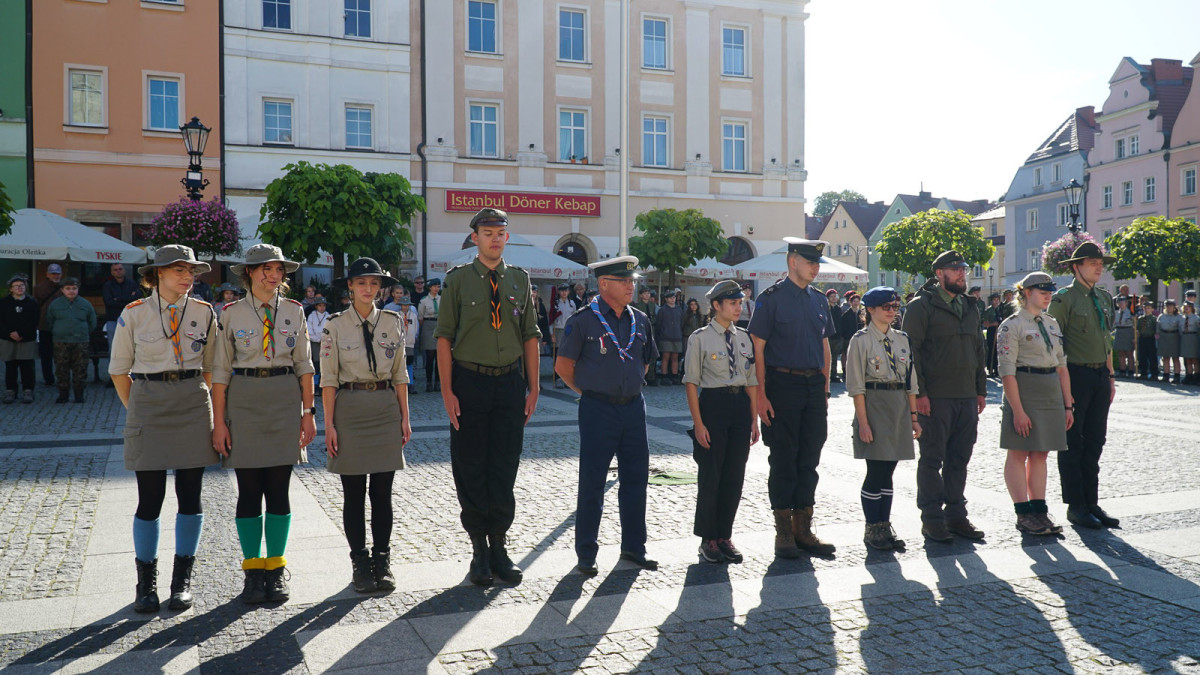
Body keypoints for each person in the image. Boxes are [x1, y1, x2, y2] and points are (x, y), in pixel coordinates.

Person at [108, 245, 220, 613]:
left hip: (191, 402)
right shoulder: (134, 314)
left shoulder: (204, 312)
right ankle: (146, 584)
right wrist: (138, 408)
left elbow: (211, 366)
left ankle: (181, 581)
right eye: (178, 271)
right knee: (150, 498)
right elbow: (118, 370)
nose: (188, 277)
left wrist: (194, 393)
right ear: (156, 275)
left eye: (191, 271)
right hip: (148, 401)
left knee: (190, 495)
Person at [436, 208, 541, 586]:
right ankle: (478, 548)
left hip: (508, 385)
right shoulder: (458, 281)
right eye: (487, 232)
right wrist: (447, 391)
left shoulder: (519, 279)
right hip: (470, 383)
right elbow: (444, 338)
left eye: (500, 233)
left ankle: (500, 545)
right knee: (470, 466)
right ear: (475, 239)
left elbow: (530, 335)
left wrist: (534, 387)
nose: (494, 238)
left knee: (504, 464)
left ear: (507, 238)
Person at [211, 244, 317, 605]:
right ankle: (252, 572)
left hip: (284, 400)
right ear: (249, 274)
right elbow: (221, 371)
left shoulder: (294, 311)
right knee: (248, 490)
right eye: (265, 269)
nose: (273, 276)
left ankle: (275, 568)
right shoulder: (231, 313)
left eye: (278, 271)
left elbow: (304, 364)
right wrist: (219, 422)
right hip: (244, 400)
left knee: (279, 489)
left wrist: (309, 412)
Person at [556, 255, 659, 575]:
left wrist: (626, 385)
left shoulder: (640, 319)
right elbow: (562, 368)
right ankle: (586, 552)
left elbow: (644, 362)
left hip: (632, 406)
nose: (632, 286)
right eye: (625, 281)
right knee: (593, 481)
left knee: (635, 478)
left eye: (633, 281)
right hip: (597, 408)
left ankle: (633, 546)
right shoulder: (584, 320)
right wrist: (591, 393)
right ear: (603, 285)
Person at [320, 257, 412, 593]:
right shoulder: (334, 325)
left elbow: (400, 373)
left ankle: (382, 560)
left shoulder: (391, 321)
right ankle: (360, 562)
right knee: (354, 493)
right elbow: (328, 379)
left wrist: (405, 416)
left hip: (385, 407)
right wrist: (328, 425)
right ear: (350, 287)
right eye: (362, 283)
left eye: (374, 283)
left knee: (383, 493)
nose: (368, 289)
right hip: (350, 408)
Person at [748, 238, 838, 558]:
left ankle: (803, 529)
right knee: (784, 459)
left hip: (814, 387)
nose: (815, 267)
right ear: (792, 261)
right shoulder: (770, 299)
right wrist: (761, 396)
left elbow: (825, 345)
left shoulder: (819, 300)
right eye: (809, 261)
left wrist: (825, 388)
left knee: (809, 460)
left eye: (817, 262)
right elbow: (757, 347)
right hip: (781, 386)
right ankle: (783, 531)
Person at [902, 250, 988, 543]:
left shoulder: (970, 306)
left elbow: (978, 350)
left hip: (965, 397)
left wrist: (980, 390)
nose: (962, 274)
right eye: (955, 270)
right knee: (932, 460)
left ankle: (956, 517)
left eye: (963, 269)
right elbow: (911, 353)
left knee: (959, 460)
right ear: (939, 274)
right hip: (935, 398)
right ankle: (932, 519)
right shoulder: (921, 306)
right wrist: (920, 394)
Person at [683, 280, 759, 563]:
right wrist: (699, 424)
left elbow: (751, 381)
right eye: (732, 303)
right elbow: (691, 383)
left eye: (740, 303)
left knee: (734, 476)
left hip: (739, 407)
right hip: (713, 405)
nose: (738, 308)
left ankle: (725, 535)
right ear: (716, 306)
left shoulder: (744, 337)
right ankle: (708, 539)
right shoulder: (700, 338)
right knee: (711, 475)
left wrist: (753, 420)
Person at [1046, 242, 1119, 529]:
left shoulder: (1103, 297)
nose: (1099, 266)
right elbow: (1055, 343)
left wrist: (1110, 376)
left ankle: (1091, 502)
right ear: (1076, 267)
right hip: (1075, 376)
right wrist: (1062, 388)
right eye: (1092, 262)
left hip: (1100, 376)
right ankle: (1076, 505)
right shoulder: (1064, 299)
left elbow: (1107, 340)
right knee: (1073, 442)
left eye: (1101, 263)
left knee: (1096, 441)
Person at [997, 273, 1073, 537]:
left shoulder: (1051, 323)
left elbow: (1061, 364)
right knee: (1019, 452)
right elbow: (1006, 371)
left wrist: (1067, 403)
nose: (1048, 295)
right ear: (1026, 292)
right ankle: (1023, 513)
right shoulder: (1012, 325)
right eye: (1042, 291)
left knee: (1041, 453)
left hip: (1050, 389)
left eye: (1050, 291)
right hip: (1024, 389)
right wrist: (1017, 410)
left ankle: (1039, 510)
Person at [846, 287, 921, 550]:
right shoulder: (861, 340)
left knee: (889, 470)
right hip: (875, 405)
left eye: (895, 307)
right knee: (876, 470)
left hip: (898, 405)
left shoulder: (902, 338)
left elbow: (911, 380)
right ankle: (872, 528)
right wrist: (863, 423)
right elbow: (856, 385)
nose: (892, 311)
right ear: (871, 310)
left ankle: (884, 525)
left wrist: (913, 417)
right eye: (886, 307)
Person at [45, 277, 97, 403]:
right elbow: (49, 321)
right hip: (61, 341)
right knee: (61, 369)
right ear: (62, 290)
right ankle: (63, 394)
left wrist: (82, 333)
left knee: (80, 368)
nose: (71, 291)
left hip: (80, 341)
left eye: (74, 288)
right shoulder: (55, 304)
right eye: (68, 289)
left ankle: (79, 394)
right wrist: (59, 332)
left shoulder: (85, 304)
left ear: (78, 289)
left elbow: (92, 322)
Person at [1, 274, 39, 404]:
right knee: (10, 366)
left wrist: (21, 333)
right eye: (16, 286)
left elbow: (34, 321)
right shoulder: (3, 302)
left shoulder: (32, 302)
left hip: (27, 339)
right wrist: (10, 333)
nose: (19, 288)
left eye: (22, 286)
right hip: (8, 338)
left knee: (27, 366)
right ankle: (11, 391)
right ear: (11, 289)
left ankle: (28, 390)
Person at [102, 264, 143, 378]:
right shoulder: (108, 285)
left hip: (130, 321)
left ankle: (133, 375)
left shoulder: (132, 284)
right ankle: (114, 376)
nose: (118, 271)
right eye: (115, 270)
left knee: (132, 348)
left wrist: (118, 298)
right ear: (112, 273)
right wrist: (127, 299)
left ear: (124, 270)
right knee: (113, 349)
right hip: (113, 320)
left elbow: (136, 301)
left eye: (120, 269)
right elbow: (109, 302)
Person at [33, 263, 64, 386]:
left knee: (61, 354)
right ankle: (48, 378)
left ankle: (61, 377)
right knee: (46, 354)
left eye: (57, 273)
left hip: (61, 326)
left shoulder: (66, 287)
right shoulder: (39, 288)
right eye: (53, 273)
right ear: (47, 274)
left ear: (61, 274)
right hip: (44, 325)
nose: (55, 276)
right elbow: (35, 306)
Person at [549, 283, 578, 388]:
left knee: (568, 356)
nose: (564, 293)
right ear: (559, 292)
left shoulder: (572, 303)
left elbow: (575, 319)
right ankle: (557, 378)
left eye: (566, 290)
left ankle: (567, 378)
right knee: (558, 355)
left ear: (569, 292)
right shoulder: (555, 303)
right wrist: (552, 334)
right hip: (559, 330)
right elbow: (551, 320)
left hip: (569, 330)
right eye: (562, 290)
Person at [417, 278, 441, 392]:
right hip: (428, 325)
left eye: (438, 286)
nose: (437, 288)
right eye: (435, 286)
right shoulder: (424, 300)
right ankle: (428, 382)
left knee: (439, 356)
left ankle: (437, 381)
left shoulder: (442, 299)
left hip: (439, 325)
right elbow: (420, 317)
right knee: (430, 356)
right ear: (430, 287)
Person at [655, 290, 683, 385]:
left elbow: (681, 322)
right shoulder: (662, 310)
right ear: (666, 299)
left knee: (675, 357)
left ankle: (674, 376)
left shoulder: (678, 309)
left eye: (674, 297)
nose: (673, 299)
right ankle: (664, 376)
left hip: (677, 336)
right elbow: (658, 324)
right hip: (665, 337)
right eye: (671, 297)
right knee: (665, 357)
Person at [837, 292, 863, 382]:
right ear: (850, 302)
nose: (856, 303)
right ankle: (845, 372)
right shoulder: (846, 314)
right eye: (854, 301)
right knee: (846, 355)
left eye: (857, 301)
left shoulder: (862, 314)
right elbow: (843, 327)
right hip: (848, 338)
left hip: (860, 338)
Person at [307, 296, 330, 389]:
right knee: (315, 363)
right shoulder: (312, 316)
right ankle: (315, 385)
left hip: (325, 343)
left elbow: (329, 330)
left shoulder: (328, 316)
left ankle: (322, 385)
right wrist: (316, 338)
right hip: (315, 342)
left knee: (324, 363)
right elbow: (309, 329)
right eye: (320, 305)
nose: (322, 307)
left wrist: (323, 339)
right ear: (316, 306)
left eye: (324, 305)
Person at [1158, 299, 1183, 384]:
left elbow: (1181, 328)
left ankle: (1177, 377)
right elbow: (1158, 327)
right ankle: (1166, 375)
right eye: (1167, 306)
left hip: (1174, 337)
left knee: (1175, 358)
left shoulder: (1179, 317)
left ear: (1174, 307)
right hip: (1164, 337)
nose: (1169, 308)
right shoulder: (1161, 316)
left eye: (1170, 306)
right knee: (1165, 358)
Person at [825, 289, 847, 383]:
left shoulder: (838, 309)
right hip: (828, 336)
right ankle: (827, 375)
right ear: (828, 298)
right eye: (832, 296)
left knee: (834, 357)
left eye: (835, 296)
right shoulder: (826, 308)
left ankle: (833, 374)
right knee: (827, 357)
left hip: (838, 336)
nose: (834, 298)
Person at [398, 294, 418, 392]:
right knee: (401, 364)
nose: (405, 307)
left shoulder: (413, 316)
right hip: (400, 343)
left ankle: (411, 384)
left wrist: (414, 338)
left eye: (407, 305)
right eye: (403, 305)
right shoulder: (397, 316)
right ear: (400, 305)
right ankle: (402, 383)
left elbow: (415, 328)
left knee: (410, 363)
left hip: (410, 343)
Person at [1135, 297, 1158, 381]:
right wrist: (1136, 338)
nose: (1146, 309)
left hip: (1150, 338)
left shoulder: (1154, 319)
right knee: (1142, 357)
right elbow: (1138, 329)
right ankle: (1143, 373)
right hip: (1142, 338)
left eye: (1148, 308)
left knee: (1152, 357)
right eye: (1145, 308)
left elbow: (1156, 329)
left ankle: (1154, 374)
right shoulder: (1140, 319)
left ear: (1152, 309)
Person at [1112, 296, 1135, 378]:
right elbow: (1113, 325)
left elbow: (1135, 325)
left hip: (1128, 332)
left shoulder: (1131, 313)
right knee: (1120, 353)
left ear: (1126, 303)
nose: (1121, 304)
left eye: (1123, 302)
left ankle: (1131, 371)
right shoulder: (1116, 313)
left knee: (1129, 353)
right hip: (1119, 332)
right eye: (1119, 303)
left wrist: (1134, 337)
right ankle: (1122, 371)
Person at [982, 293, 1004, 377]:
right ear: (991, 301)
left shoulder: (1001, 309)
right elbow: (985, 323)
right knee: (991, 349)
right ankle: (990, 368)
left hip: (1000, 330)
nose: (996, 301)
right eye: (994, 300)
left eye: (998, 299)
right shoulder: (989, 310)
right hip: (992, 331)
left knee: (999, 350)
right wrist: (993, 324)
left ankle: (997, 369)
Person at [1182, 301, 1199, 385]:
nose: (1186, 308)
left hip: (1193, 338)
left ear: (1192, 308)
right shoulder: (1181, 318)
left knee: (1194, 359)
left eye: (1188, 306)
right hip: (1185, 338)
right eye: (1185, 306)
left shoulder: (1196, 318)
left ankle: (1196, 376)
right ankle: (1189, 375)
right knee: (1187, 358)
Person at [532, 285, 550, 356]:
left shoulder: (541, 306)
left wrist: (545, 339)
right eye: (531, 292)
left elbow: (545, 323)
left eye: (534, 292)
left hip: (539, 335)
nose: (533, 294)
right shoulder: (525, 305)